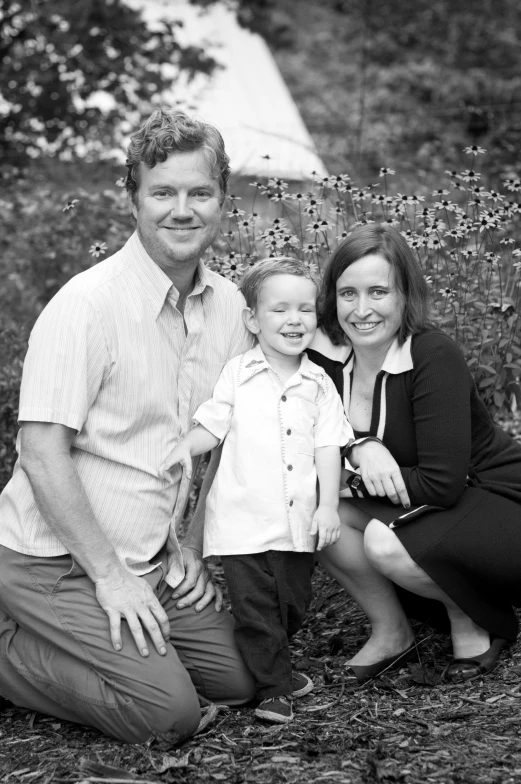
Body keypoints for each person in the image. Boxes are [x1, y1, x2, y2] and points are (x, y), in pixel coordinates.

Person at [0, 109, 258, 743]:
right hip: (53, 558)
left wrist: (192, 544)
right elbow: (40, 452)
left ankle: (107, 636)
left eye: (200, 192)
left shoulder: (228, 307)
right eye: (162, 192)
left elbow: (222, 436)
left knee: (242, 678)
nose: (182, 209)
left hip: (154, 557)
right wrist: (110, 578)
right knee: (166, 715)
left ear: (223, 197)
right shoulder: (87, 306)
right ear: (133, 197)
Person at [307, 223, 521, 684]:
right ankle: (392, 632)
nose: (361, 310)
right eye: (348, 293)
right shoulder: (324, 358)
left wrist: (350, 478)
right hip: (427, 505)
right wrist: (361, 448)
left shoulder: (430, 354)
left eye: (378, 292)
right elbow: (297, 438)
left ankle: (477, 619)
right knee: (319, 514)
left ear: (406, 295)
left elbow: (442, 484)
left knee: (382, 540)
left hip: (492, 505)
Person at [165, 258, 353, 723]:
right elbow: (212, 423)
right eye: (280, 310)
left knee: (293, 604)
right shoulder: (237, 373)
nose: (295, 320)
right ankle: (273, 690)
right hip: (243, 520)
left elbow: (329, 445)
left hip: (296, 520)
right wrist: (183, 448)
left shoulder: (319, 384)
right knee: (255, 609)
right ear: (252, 319)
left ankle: (277, 666)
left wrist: (328, 505)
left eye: (305, 310)